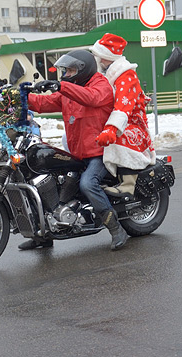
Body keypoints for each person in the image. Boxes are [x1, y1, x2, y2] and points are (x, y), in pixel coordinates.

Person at [27, 50, 125, 251]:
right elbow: (44, 103)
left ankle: (116, 229)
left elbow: (92, 98)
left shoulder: (100, 85)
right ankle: (43, 234)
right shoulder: (70, 90)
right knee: (41, 180)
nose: (66, 74)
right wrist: (19, 96)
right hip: (77, 153)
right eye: (65, 71)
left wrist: (61, 86)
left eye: (70, 70)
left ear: (83, 69)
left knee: (88, 184)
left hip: (100, 152)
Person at [89, 34, 155, 199]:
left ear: (106, 57)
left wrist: (112, 129)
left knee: (119, 137)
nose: (95, 58)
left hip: (131, 124)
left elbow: (123, 106)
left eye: (98, 55)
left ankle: (128, 185)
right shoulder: (106, 73)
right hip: (112, 119)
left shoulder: (126, 75)